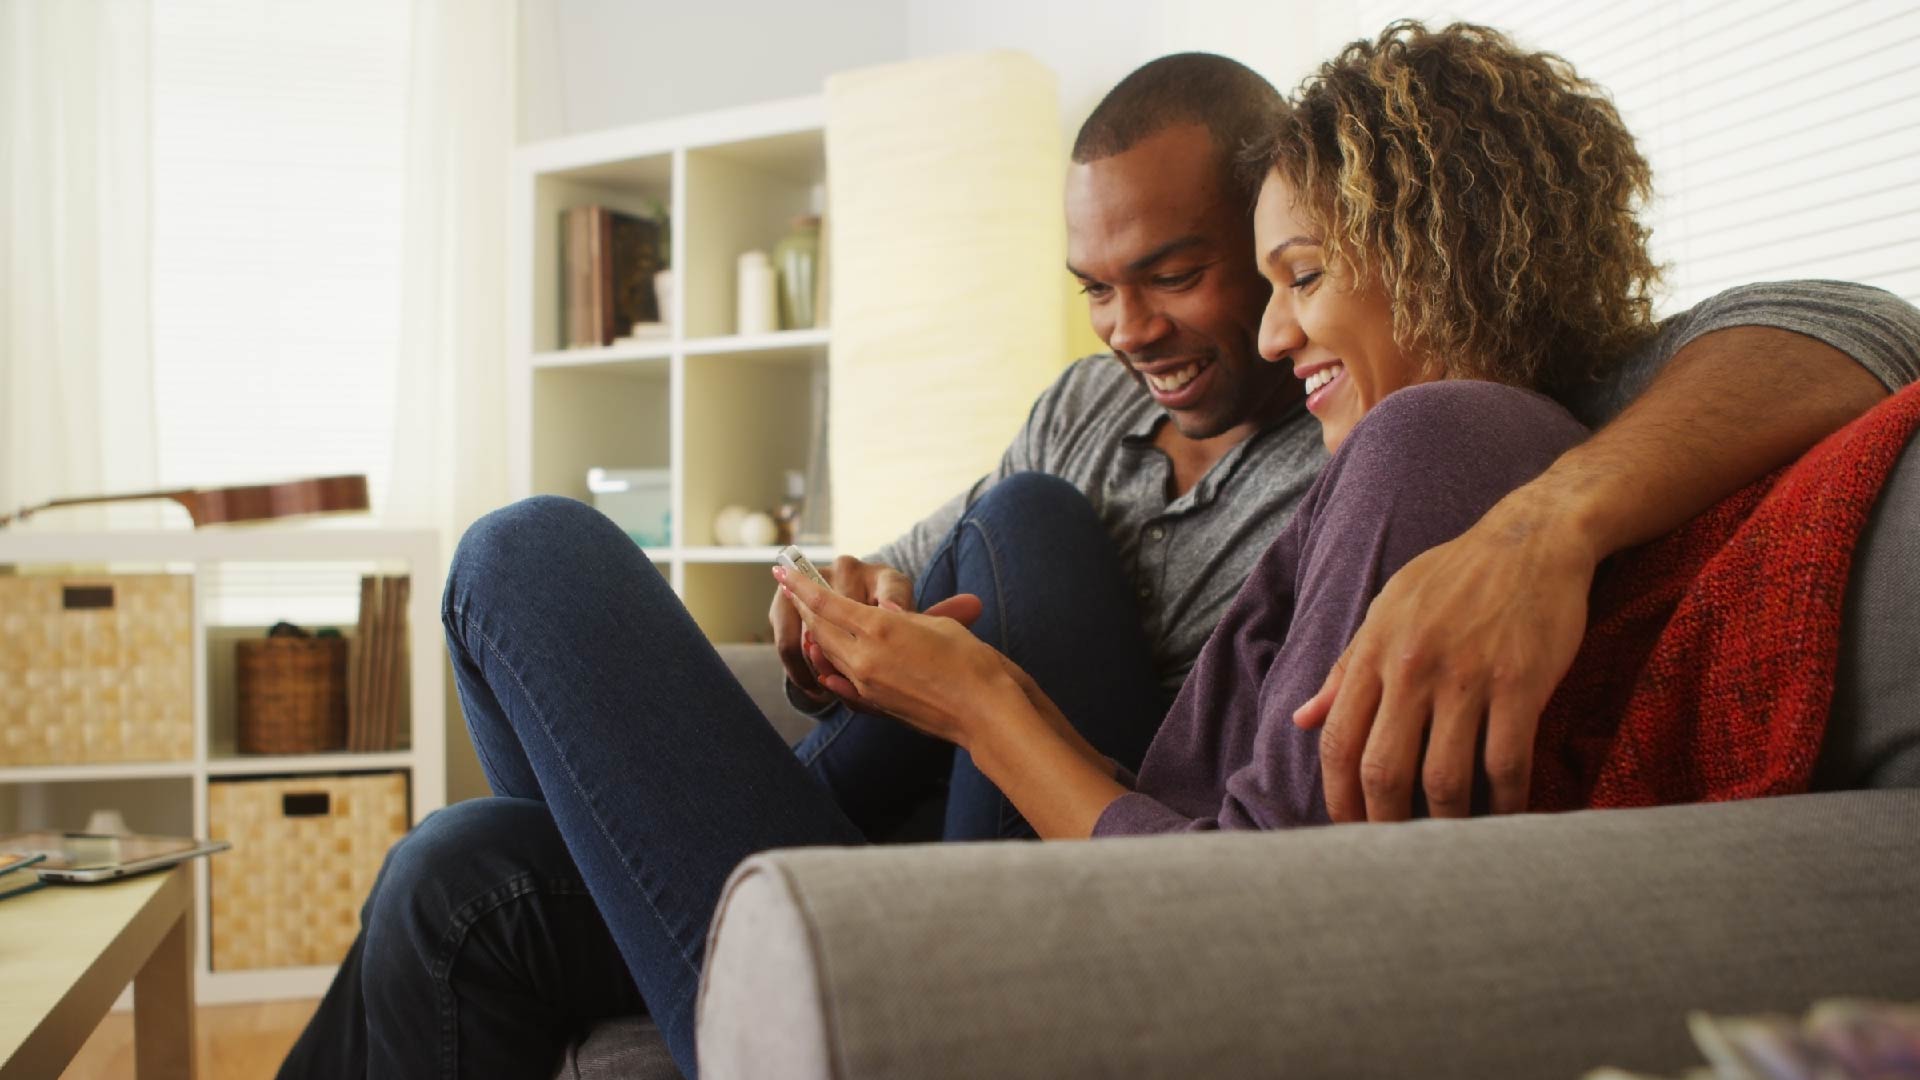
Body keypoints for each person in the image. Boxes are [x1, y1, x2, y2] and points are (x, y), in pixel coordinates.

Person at [281, 40, 1920, 1080]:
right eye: (1108, 288)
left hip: (1027, 945)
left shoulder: (1454, 446)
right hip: (997, 873)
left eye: (1285, 275)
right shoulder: (1363, 444)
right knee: (470, 866)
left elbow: (1227, 908)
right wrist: (869, 633)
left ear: (1426, 250)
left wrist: (981, 696)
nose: (1270, 332)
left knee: (522, 560)